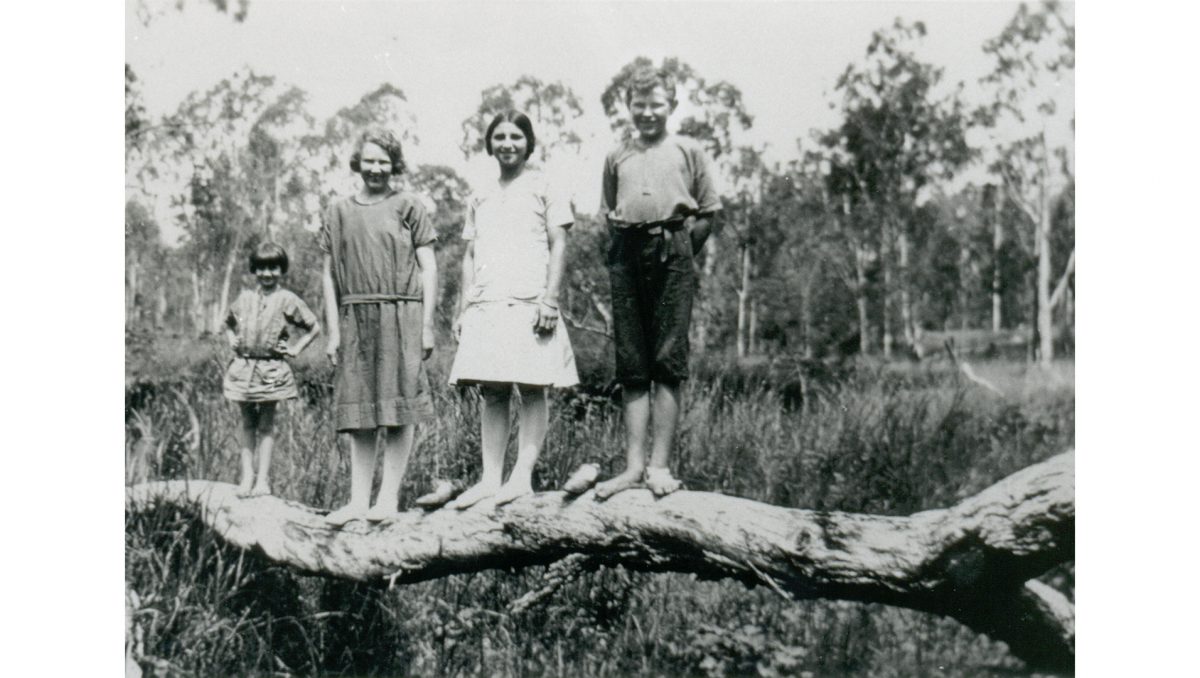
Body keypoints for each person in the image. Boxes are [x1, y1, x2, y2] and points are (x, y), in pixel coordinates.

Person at [592, 66, 721, 499]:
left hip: (673, 252)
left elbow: (708, 213)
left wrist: (680, 250)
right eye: (639, 105)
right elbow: (609, 210)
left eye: (656, 105)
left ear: (672, 106)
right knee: (632, 364)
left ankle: (659, 467)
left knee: (667, 361)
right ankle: (632, 467)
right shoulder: (617, 155)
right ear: (628, 107)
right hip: (626, 253)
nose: (647, 113)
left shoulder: (689, 149)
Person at [444, 110, 579, 510]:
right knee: (493, 390)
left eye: (516, 136)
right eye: (499, 137)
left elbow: (559, 244)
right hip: (488, 303)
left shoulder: (545, 186)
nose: (507, 144)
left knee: (532, 387)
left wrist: (550, 298)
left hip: (530, 300)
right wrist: (464, 308)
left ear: (528, 141)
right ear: (489, 143)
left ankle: (522, 477)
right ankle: (489, 479)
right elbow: (469, 254)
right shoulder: (480, 193)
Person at [320, 129, 438, 524]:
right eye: (369, 160)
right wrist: (334, 331)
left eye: (383, 161)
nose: (375, 168)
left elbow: (430, 267)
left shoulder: (408, 205)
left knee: (398, 408)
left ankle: (388, 499)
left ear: (395, 164)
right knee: (360, 414)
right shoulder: (337, 210)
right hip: (356, 317)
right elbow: (328, 275)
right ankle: (357, 501)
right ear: (357, 163)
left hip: (401, 313)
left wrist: (426, 325)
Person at [222, 242, 320, 497]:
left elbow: (314, 327)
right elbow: (228, 323)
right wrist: (232, 338)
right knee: (246, 424)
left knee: (265, 425)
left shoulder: (287, 299)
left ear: (281, 269)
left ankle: (262, 481)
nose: (267, 274)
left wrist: (296, 349)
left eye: (273, 268)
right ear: (254, 270)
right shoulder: (245, 298)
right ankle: (246, 478)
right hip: (243, 368)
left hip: (271, 371)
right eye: (262, 268)